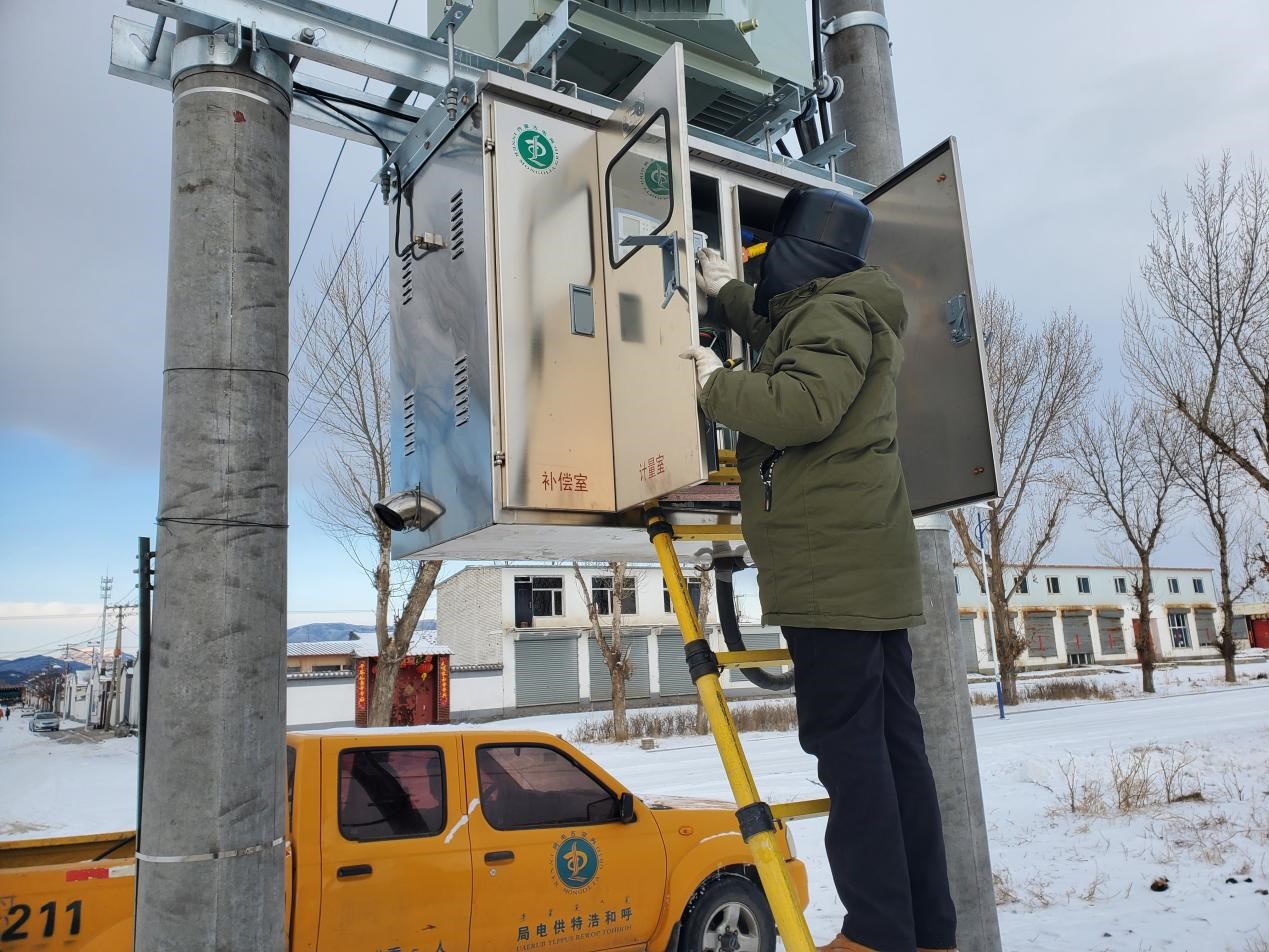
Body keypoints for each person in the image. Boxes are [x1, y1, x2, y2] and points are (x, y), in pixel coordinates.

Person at [681, 187, 958, 952]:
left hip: (828, 566)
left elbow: (802, 405)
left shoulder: (832, 314)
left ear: (801, 256)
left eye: (766, 258)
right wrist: (723, 294)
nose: (759, 272)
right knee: (893, 752)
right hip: (859, 563)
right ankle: (922, 928)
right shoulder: (842, 305)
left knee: (851, 756)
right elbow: (784, 323)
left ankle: (872, 931)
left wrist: (710, 383)